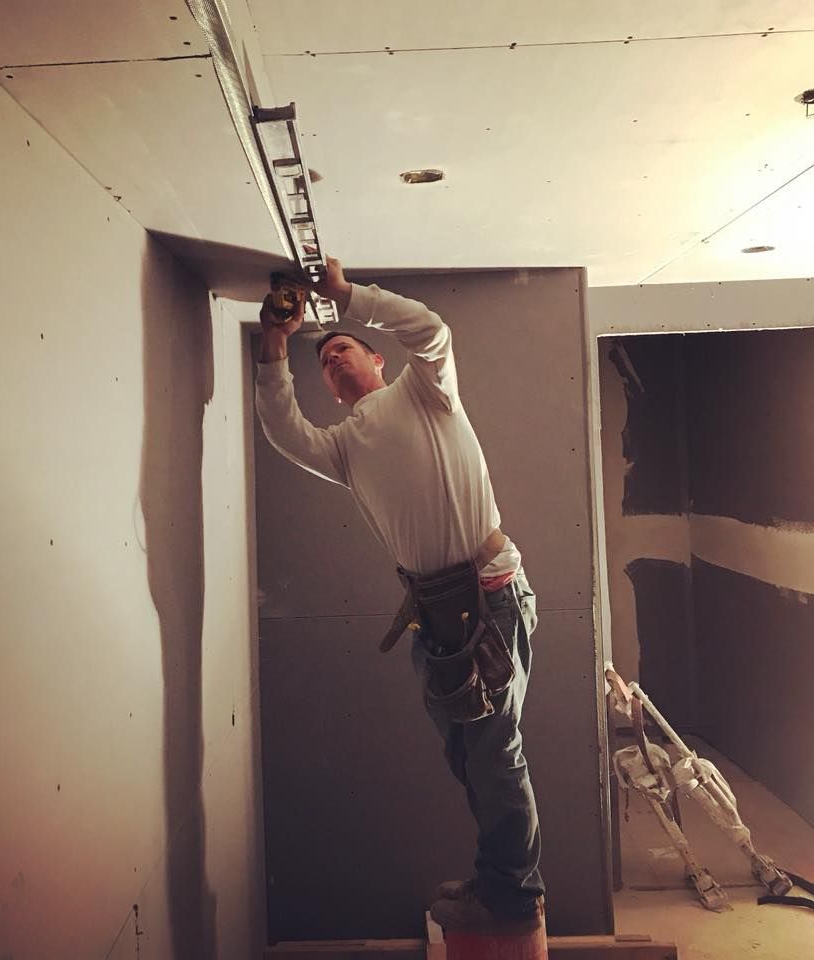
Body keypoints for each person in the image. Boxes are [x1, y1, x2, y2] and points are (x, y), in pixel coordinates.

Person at [255, 257, 545, 934]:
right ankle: (497, 873)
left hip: (489, 594)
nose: (333, 359)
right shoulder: (344, 446)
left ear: (378, 360)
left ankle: (513, 895)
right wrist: (274, 346)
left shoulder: (425, 388)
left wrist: (348, 296)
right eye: (323, 360)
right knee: (467, 754)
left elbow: (432, 329)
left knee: (495, 748)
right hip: (436, 616)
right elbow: (282, 429)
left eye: (344, 347)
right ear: (328, 388)